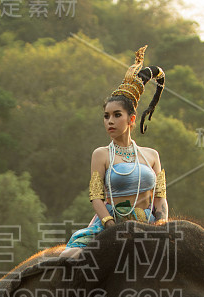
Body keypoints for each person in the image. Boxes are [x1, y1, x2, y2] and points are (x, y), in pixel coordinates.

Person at [61, 45, 167, 257]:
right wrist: (110, 225)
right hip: (110, 226)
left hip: (149, 227)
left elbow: (160, 197)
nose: (110, 121)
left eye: (117, 115)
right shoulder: (101, 154)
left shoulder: (151, 155)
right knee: (68, 257)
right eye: (106, 116)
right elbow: (96, 196)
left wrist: (162, 224)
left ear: (131, 119)